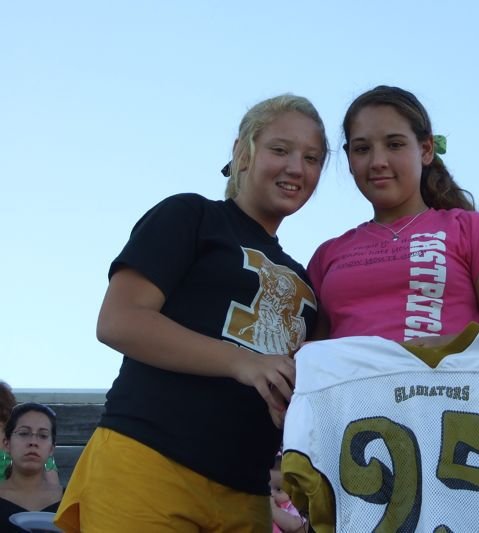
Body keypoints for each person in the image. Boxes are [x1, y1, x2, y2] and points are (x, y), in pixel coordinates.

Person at [54, 94, 328, 533]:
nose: (297, 167)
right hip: (148, 461)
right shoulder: (191, 215)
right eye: (280, 150)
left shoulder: (307, 280)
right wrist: (244, 363)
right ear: (243, 151)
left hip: (246, 493)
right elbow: (119, 320)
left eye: (312, 158)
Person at [307, 85, 479, 342]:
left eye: (394, 145)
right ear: (349, 159)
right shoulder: (327, 256)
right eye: (362, 149)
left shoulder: (473, 232)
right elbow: (310, 361)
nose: (378, 161)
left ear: (426, 150)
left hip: (446, 383)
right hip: (347, 383)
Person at [0, 403, 63, 532]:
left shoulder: (69, 502)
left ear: (51, 449)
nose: (33, 442)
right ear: (7, 444)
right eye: (23, 433)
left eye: (43, 435)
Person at [270, 456, 307, 533]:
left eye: (278, 489)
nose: (271, 493)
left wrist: (273, 509)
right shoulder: (262, 501)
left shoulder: (290, 505)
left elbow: (295, 525)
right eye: (267, 487)